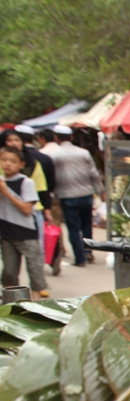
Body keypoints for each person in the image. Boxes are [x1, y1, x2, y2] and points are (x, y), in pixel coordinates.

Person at [50, 124, 105, 267]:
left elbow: (52, 177)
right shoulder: (83, 153)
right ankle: (89, 252)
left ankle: (80, 258)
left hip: (67, 196)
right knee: (87, 225)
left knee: (73, 228)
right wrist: (100, 191)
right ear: (72, 137)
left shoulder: (55, 155)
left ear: (56, 138)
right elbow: (94, 174)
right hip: (86, 194)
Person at [0, 146, 49, 299]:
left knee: (34, 268)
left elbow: (27, 209)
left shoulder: (26, 182)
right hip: (6, 232)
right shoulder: (1, 181)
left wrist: (5, 191)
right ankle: (11, 302)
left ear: (21, 164)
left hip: (26, 232)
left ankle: (36, 302)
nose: (8, 164)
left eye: (13, 161)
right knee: (9, 271)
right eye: (4, 160)